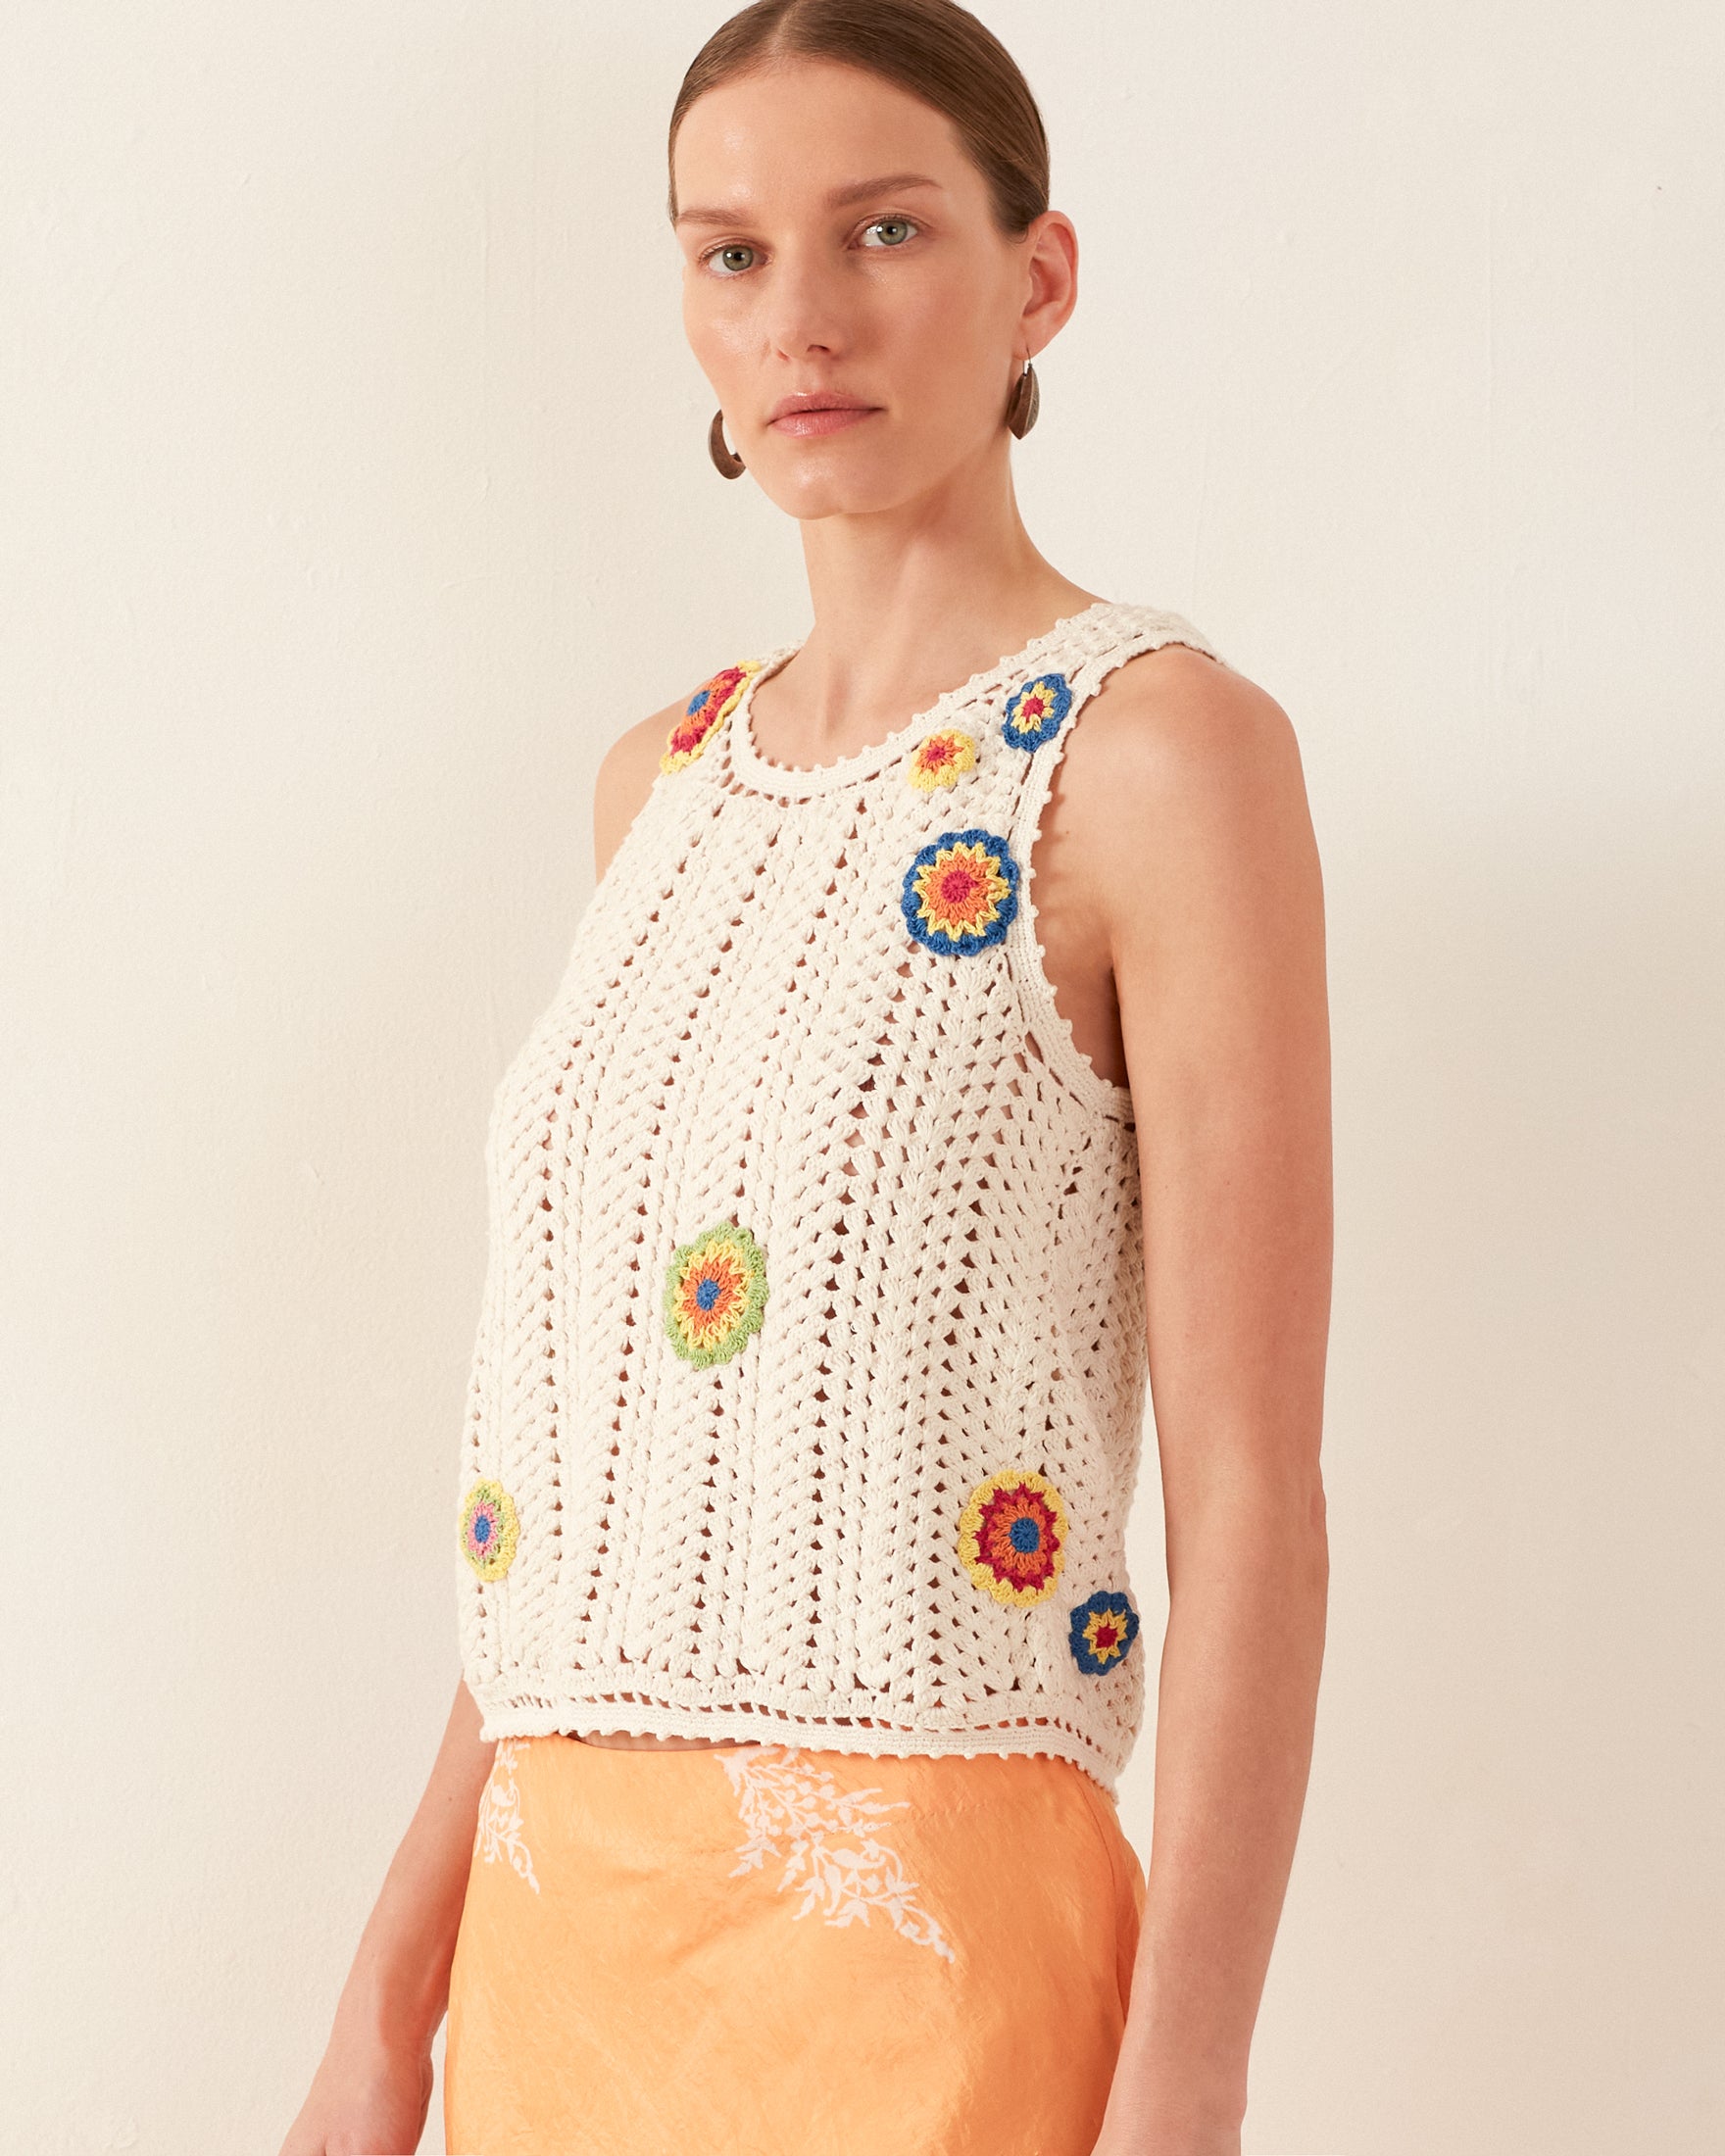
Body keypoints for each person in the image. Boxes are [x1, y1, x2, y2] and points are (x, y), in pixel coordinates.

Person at [280, 3, 1331, 2152]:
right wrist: (380, 2010)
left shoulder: (1155, 753)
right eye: (730, 252)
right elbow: (586, 1500)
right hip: (561, 1938)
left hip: (921, 1935)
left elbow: (1248, 1494)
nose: (801, 318)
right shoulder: (649, 791)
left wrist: (1187, 2079)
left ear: (1035, 275)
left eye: (882, 230)